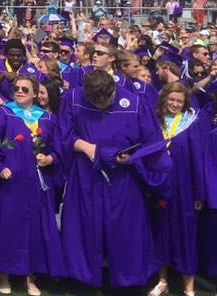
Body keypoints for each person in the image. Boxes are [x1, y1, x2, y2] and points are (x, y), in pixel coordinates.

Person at [57, 69, 171, 292]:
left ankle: (128, 277)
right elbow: (62, 134)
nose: (101, 105)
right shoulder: (73, 99)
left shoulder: (136, 103)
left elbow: (151, 143)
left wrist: (132, 159)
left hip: (123, 177)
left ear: (113, 91)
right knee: (85, 223)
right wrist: (85, 146)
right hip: (86, 174)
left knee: (125, 227)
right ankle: (83, 274)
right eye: (95, 101)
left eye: (106, 100)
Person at [0, 75, 65, 294]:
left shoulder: (46, 118)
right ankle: (3, 276)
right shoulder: (3, 113)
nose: (18, 92)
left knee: (34, 229)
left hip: (38, 182)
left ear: (35, 94)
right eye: (16, 88)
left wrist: (50, 159)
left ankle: (30, 277)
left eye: (24, 89)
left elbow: (58, 149)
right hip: (11, 182)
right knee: (7, 227)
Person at [148, 83, 204, 296]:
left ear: (185, 103)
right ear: (164, 99)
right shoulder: (155, 122)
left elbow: (197, 159)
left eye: (179, 101)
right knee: (161, 231)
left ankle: (189, 287)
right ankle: (162, 281)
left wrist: (199, 192)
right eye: (171, 99)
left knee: (185, 233)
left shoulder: (190, 124)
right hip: (159, 185)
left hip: (184, 187)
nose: (175, 104)